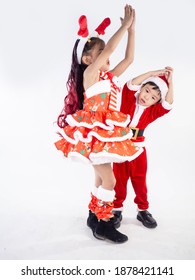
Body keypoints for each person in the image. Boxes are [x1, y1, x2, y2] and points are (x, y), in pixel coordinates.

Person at [54, 4, 143, 243]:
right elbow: (112, 46)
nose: (107, 54)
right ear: (88, 58)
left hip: (104, 133)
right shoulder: (90, 73)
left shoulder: (108, 77)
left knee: (100, 179)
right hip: (95, 133)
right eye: (101, 51)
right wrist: (122, 26)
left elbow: (129, 58)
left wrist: (132, 31)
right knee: (110, 180)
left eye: (105, 52)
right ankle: (104, 223)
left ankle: (93, 216)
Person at [112, 66, 174, 229]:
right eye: (146, 91)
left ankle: (143, 210)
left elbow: (168, 104)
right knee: (119, 179)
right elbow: (130, 84)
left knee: (139, 180)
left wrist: (170, 80)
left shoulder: (153, 112)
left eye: (153, 97)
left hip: (138, 148)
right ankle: (116, 209)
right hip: (120, 147)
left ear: (155, 102)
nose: (147, 97)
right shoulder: (128, 99)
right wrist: (152, 73)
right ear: (142, 88)